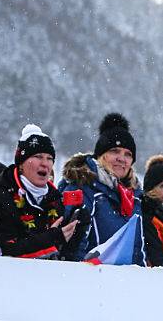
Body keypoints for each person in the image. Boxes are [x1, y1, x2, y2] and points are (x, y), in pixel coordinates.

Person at [60, 113, 145, 264]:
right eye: (114, 151)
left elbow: (139, 249)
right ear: (100, 155)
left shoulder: (136, 197)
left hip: (127, 282)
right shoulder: (81, 187)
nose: (121, 158)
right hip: (92, 280)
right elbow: (72, 249)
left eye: (128, 154)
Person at [0, 125, 84, 259]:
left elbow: (61, 258)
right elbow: (6, 253)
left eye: (49, 158)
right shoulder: (0, 196)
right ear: (21, 164)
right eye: (38, 156)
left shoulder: (55, 199)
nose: (45, 163)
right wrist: (52, 239)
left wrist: (75, 235)